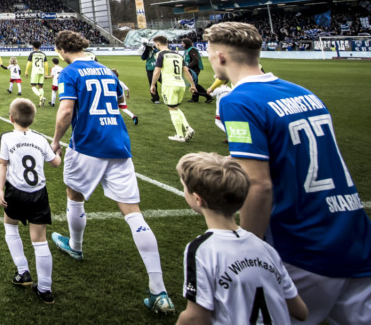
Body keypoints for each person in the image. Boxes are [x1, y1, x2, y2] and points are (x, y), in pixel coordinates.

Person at [205, 21, 371, 324]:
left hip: (303, 243)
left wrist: (248, 249)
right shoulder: (304, 93)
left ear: (221, 57)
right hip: (353, 234)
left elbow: (257, 184)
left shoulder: (239, 101)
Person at [49, 30, 175, 315]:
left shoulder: (70, 72)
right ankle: (159, 290)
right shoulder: (106, 69)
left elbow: (67, 110)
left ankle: (76, 246)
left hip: (87, 145)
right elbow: (119, 104)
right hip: (118, 143)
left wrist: (56, 141)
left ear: (60, 49)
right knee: (133, 214)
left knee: (74, 196)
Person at [175, 151, 307, 325]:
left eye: (184, 186)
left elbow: (196, 317)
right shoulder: (266, 249)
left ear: (198, 199)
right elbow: (300, 311)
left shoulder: (202, 250)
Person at [0, 98, 61, 304]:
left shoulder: (6, 138)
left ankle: (23, 271)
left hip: (15, 192)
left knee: (10, 227)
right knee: (40, 241)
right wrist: (58, 152)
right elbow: (55, 163)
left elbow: (1, 163)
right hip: (38, 194)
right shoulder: (41, 139)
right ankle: (45, 290)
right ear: (32, 119)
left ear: (11, 118)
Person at [149, 35, 199, 143]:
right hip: (180, 84)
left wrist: (152, 84)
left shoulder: (160, 54)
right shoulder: (177, 54)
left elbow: (157, 71)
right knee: (175, 108)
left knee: (172, 109)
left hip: (169, 84)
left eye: (155, 44)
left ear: (157, 44)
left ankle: (182, 134)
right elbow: (186, 71)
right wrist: (192, 85)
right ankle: (185, 130)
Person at [181, 38, 209, 103]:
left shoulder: (192, 49)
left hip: (194, 69)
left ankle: (207, 96)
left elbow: (195, 60)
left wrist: (188, 67)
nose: (182, 44)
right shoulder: (187, 50)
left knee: (193, 83)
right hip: (191, 68)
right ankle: (195, 98)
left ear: (186, 43)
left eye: (183, 43)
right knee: (193, 83)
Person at [26, 40, 48, 105]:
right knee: (40, 86)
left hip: (35, 71)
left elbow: (29, 63)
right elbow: (46, 64)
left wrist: (26, 71)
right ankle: (41, 103)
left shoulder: (32, 53)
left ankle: (40, 96)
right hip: (42, 71)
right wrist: (46, 73)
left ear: (33, 46)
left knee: (33, 86)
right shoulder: (43, 54)